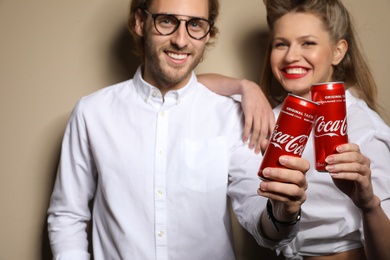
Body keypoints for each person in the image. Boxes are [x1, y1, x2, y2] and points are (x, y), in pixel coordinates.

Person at [47, 0, 310, 259]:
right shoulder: (92, 113)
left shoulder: (231, 115)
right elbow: (67, 215)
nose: (181, 40)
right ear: (140, 22)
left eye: (195, 25)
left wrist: (282, 213)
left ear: (208, 33)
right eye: (167, 21)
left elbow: (258, 217)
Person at [200, 0, 390, 259]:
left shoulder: (365, 129)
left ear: (338, 51)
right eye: (281, 44)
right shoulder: (264, 118)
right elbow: (189, 89)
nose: (290, 56)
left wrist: (369, 206)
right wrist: (245, 87)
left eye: (307, 43)